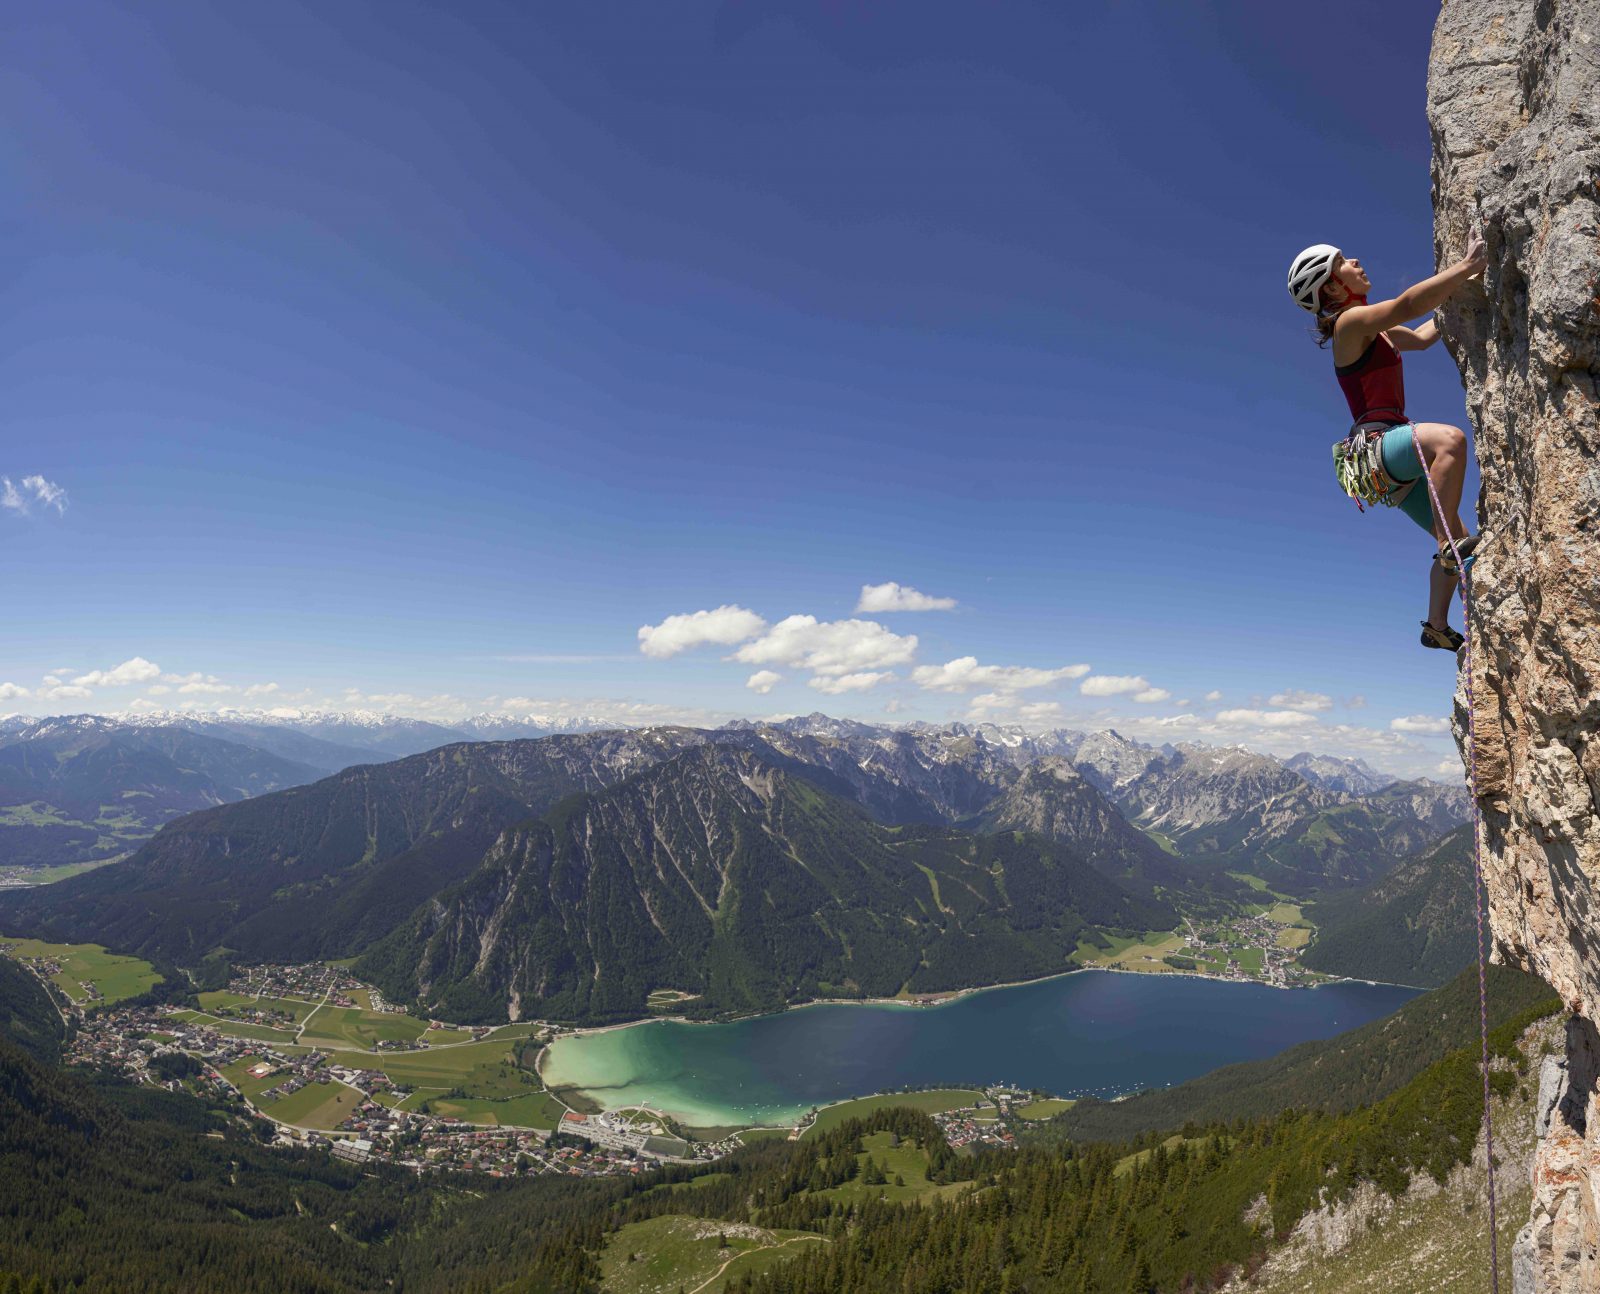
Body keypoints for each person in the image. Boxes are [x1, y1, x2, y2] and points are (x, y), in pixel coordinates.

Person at [1287, 233, 1487, 651]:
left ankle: (1436, 625)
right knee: (1449, 441)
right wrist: (1465, 266)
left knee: (1463, 545)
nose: (1356, 260)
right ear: (1332, 287)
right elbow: (1408, 304)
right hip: (1377, 447)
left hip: (1389, 464)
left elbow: (1425, 333)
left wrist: (1463, 288)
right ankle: (1447, 549)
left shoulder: (1377, 330)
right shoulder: (1349, 324)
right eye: (1343, 261)